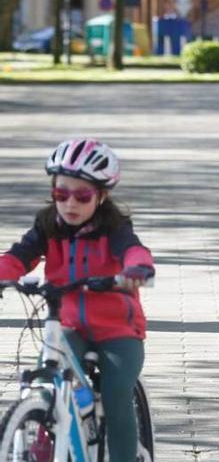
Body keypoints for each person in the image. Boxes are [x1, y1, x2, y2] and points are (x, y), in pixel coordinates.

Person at [0, 138, 155, 462]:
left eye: (82, 196)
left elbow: (133, 250)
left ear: (101, 196)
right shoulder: (48, 225)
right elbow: (19, 256)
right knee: (46, 382)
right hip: (69, 325)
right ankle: (43, 446)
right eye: (61, 194)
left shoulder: (115, 228)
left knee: (115, 397)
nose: (70, 204)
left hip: (118, 330)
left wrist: (136, 269)